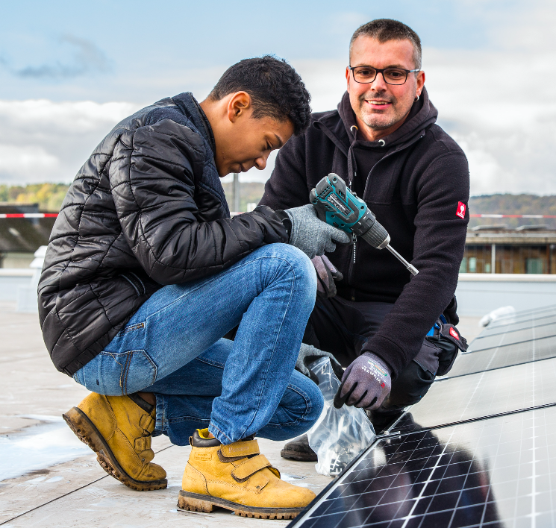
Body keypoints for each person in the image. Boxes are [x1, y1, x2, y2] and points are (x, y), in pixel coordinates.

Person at [38, 56, 349, 520]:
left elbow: (206, 277)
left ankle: (130, 416)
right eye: (267, 144)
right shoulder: (156, 138)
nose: (262, 162)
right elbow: (173, 254)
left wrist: (277, 342)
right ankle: (225, 460)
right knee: (286, 264)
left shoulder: (192, 153)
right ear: (238, 106)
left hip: (141, 325)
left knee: (297, 403)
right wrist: (281, 224)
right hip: (100, 335)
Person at [259, 19, 470, 461]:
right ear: (349, 77)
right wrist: (297, 253)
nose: (378, 86)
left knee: (404, 372)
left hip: (394, 309)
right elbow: (267, 223)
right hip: (323, 302)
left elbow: (436, 273)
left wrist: (383, 357)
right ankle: (325, 418)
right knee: (242, 310)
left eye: (395, 73)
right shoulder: (307, 141)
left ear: (418, 82)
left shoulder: (442, 160)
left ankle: (374, 417)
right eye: (365, 72)